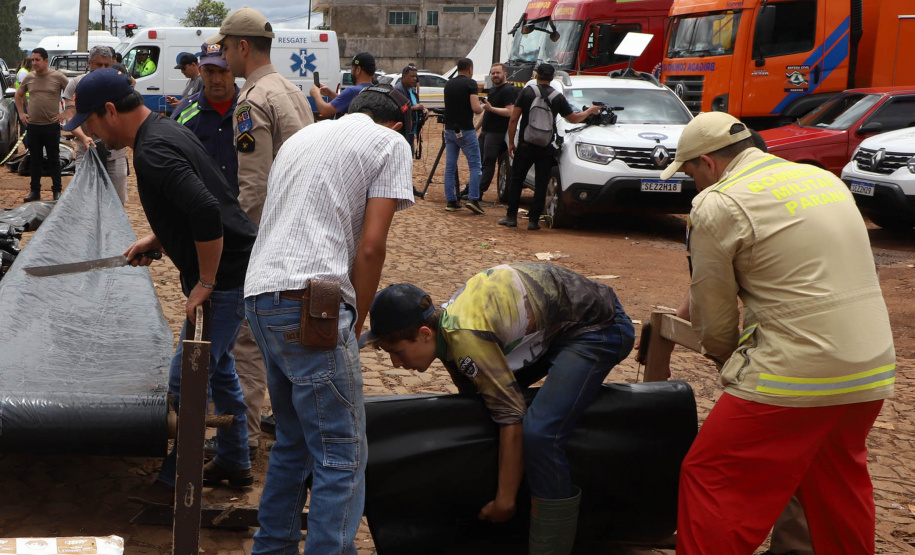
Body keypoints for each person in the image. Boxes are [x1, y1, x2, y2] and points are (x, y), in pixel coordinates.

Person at [663, 111, 895, 554]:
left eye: (690, 171)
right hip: (871, 366)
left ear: (708, 163)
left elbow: (714, 322)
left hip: (796, 371)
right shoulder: (821, 179)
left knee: (712, 475)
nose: (693, 183)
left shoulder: (718, 202)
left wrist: (729, 363)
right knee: (835, 482)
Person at [64, 68, 257, 504]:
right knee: (218, 367)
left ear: (109, 111)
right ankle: (234, 461)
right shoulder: (165, 128)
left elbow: (207, 210)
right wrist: (161, 238)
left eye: (89, 122)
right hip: (234, 265)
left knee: (187, 376)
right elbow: (203, 196)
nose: (88, 133)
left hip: (225, 276)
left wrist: (206, 280)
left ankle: (175, 483)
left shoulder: (152, 151)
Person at [244, 84, 414, 554]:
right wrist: (354, 318)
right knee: (342, 453)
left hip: (260, 296)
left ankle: (272, 547)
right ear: (396, 123)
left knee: (294, 444)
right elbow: (372, 246)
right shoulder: (390, 143)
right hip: (311, 302)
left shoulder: (303, 138)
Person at [362, 262, 635, 555]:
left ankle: (550, 546)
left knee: (541, 433)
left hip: (600, 327)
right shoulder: (446, 332)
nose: (396, 365)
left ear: (426, 334)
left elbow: (510, 415)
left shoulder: (465, 336)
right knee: (483, 407)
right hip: (555, 330)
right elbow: (478, 402)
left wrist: (505, 500)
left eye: (398, 352)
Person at [208, 6, 315, 460]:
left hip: (271, 239)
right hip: (305, 232)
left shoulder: (251, 101)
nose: (223, 55)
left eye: (226, 46)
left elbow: (253, 190)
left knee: (247, 341)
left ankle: (244, 438)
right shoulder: (293, 91)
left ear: (242, 47)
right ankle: (294, 434)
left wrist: (237, 251)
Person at [500, 63, 599, 230]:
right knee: (541, 183)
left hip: (525, 144)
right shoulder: (557, 97)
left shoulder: (527, 92)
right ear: (553, 77)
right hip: (545, 146)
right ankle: (533, 221)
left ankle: (511, 217)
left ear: (536, 75)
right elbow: (573, 119)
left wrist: (511, 142)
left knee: (516, 180)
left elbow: (513, 119)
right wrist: (589, 111)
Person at [62, 45, 130, 204]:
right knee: (84, 201)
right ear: (89, 64)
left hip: (116, 153)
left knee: (116, 202)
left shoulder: (118, 83)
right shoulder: (76, 85)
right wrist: (84, 137)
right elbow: (70, 118)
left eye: (107, 65)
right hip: (86, 151)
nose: (103, 69)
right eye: (99, 65)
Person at [172, 43, 239, 198]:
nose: (216, 79)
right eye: (209, 71)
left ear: (234, 70)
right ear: (200, 70)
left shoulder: (252, 109)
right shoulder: (183, 116)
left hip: (247, 212)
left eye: (223, 71)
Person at [15, 47, 68, 202]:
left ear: (46, 60)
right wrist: (21, 113)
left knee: (53, 159)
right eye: (32, 59)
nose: (34, 62)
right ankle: (34, 191)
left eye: (37, 59)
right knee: (35, 160)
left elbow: (72, 92)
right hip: (33, 126)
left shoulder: (58, 77)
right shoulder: (29, 77)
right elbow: (19, 95)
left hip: (51, 126)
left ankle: (57, 191)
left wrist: (67, 113)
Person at [442, 57, 484, 214]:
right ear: (470, 69)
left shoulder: (449, 83)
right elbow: (476, 108)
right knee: (475, 165)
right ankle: (473, 199)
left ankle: (451, 200)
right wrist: (483, 105)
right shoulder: (470, 84)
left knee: (450, 166)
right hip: (466, 129)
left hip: (449, 130)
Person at [476, 63, 517, 195]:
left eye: (498, 73)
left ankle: (478, 191)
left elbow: (511, 112)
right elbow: (486, 111)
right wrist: (475, 128)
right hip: (486, 131)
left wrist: (491, 109)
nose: (495, 75)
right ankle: (474, 188)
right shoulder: (493, 90)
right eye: (493, 73)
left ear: (505, 74)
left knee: (488, 162)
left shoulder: (508, 90)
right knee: (478, 161)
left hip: (496, 132)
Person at [311, 52, 376, 118]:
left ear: (358, 70)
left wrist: (316, 94)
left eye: (352, 68)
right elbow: (346, 102)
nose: (351, 72)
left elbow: (325, 110)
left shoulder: (352, 91)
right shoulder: (373, 90)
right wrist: (330, 93)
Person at [394, 65, 428, 157]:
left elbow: (416, 104)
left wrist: (423, 109)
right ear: (404, 76)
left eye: (416, 76)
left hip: (412, 129)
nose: (415, 79)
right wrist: (413, 108)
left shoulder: (412, 90)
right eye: (412, 76)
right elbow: (397, 109)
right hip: (403, 131)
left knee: (410, 157)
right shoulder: (398, 90)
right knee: (403, 158)